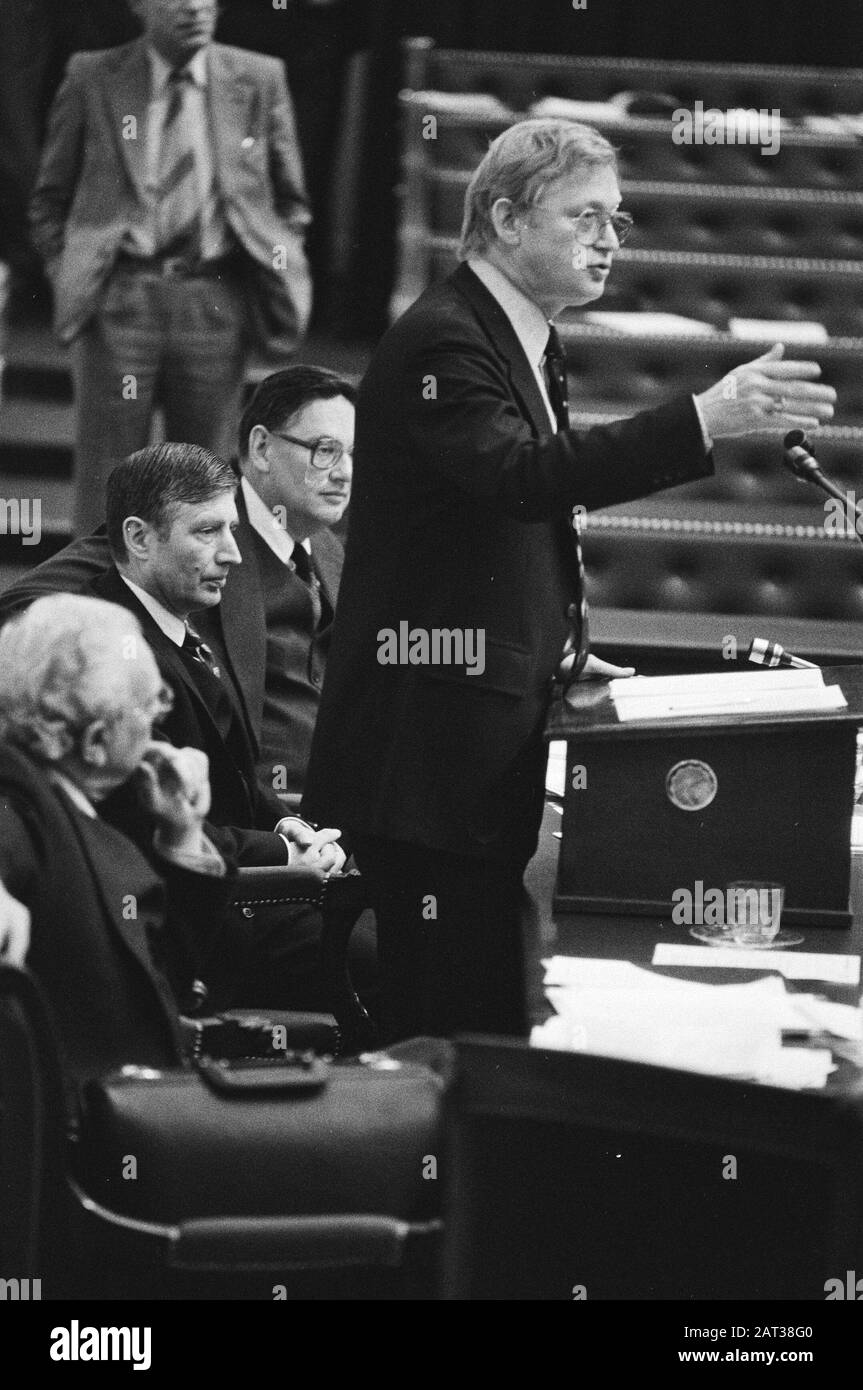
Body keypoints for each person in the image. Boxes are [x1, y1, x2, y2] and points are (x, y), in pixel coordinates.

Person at [301, 117, 838, 1044]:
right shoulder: (445, 341)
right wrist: (702, 418)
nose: (607, 240)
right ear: (506, 220)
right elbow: (524, 479)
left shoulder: (524, 336)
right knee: (443, 1031)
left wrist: (560, 655)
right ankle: (434, 1184)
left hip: (472, 732)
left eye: (618, 221)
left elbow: (497, 529)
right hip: (425, 758)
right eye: (585, 216)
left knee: (480, 1015)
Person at [0, 366, 355, 808]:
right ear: (262, 447)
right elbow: (26, 606)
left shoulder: (330, 551)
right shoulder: (190, 519)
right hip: (255, 810)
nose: (343, 472)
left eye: (353, 454)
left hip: (338, 804)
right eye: (325, 451)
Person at [29, 0, 312, 534]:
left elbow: (291, 201)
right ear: (138, 6)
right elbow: (50, 199)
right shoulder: (93, 75)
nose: (195, 8)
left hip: (215, 300)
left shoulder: (258, 77)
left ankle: (194, 615)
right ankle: (104, 611)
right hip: (122, 298)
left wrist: (272, 265)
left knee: (203, 479)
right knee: (109, 476)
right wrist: (69, 270)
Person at [0, 594, 238, 1085]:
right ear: (95, 741)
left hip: (139, 1117)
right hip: (78, 1142)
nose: (158, 725)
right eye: (150, 708)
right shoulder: (23, 801)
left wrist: (182, 834)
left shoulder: (86, 808)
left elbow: (159, 985)